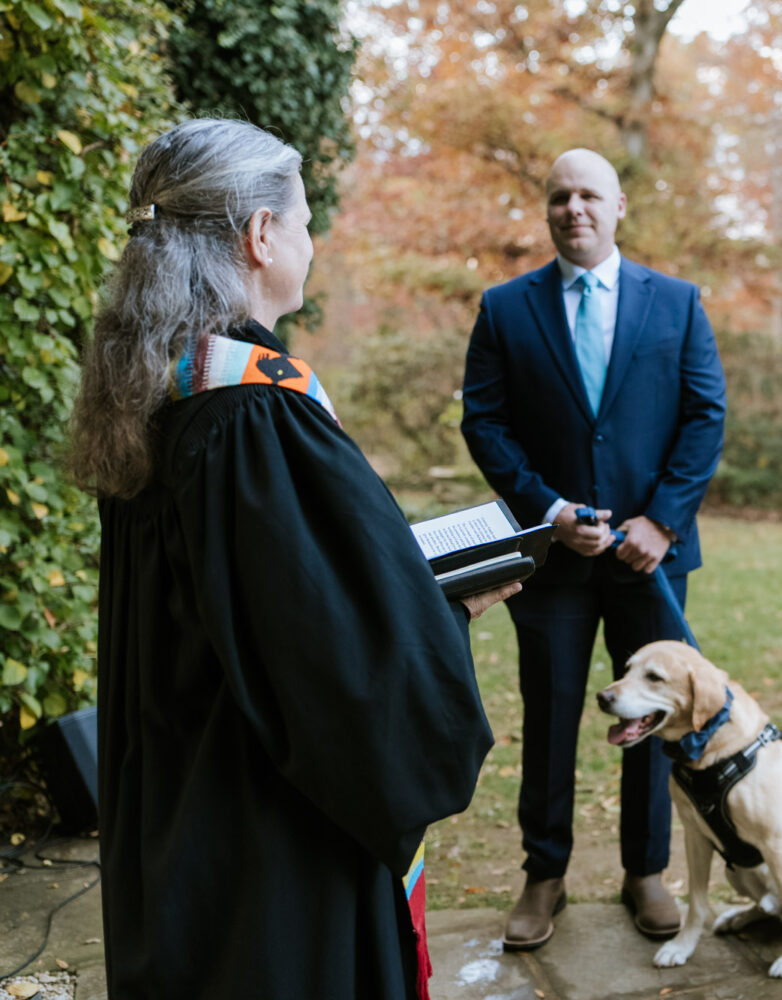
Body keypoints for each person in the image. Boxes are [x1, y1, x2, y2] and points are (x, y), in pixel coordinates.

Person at [66, 119, 508, 1000]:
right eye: (305, 221)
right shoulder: (253, 416)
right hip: (267, 834)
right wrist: (442, 612)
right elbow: (335, 667)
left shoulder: (154, 390)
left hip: (179, 802)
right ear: (259, 235)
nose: (313, 242)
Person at [461, 148, 727, 950]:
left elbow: (704, 415)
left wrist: (663, 522)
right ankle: (545, 874)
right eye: (558, 197)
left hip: (651, 557)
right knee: (549, 713)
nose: (573, 208)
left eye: (588, 196)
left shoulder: (676, 303)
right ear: (547, 212)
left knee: (653, 713)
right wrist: (548, 508)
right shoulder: (506, 308)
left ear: (618, 208)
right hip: (552, 560)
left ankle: (645, 871)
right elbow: (485, 421)